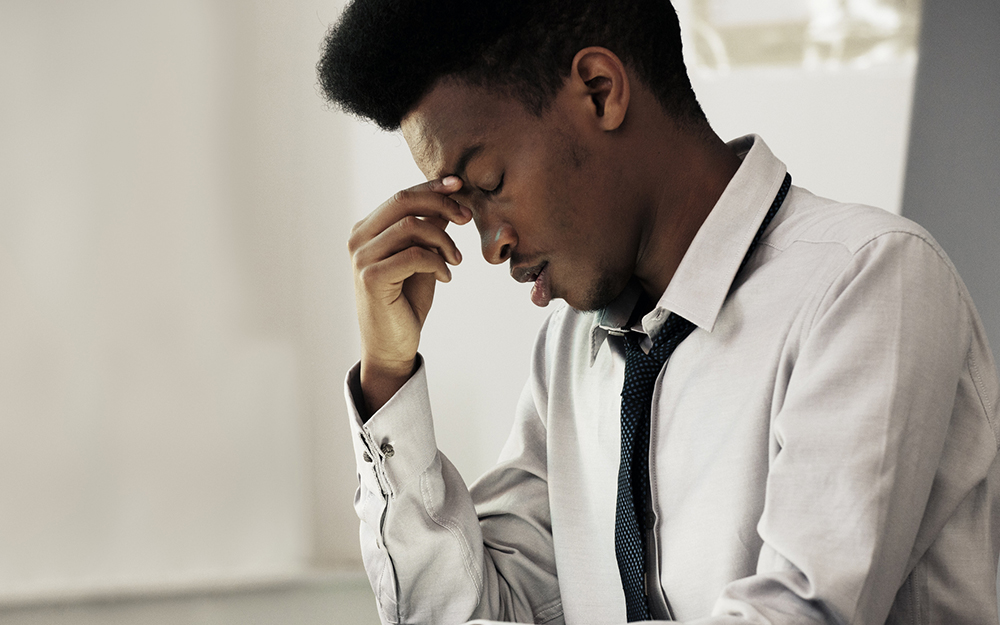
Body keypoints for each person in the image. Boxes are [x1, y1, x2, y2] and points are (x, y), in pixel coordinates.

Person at [317, 0, 1000, 623]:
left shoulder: (868, 281)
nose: (491, 245)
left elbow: (797, 614)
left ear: (600, 90)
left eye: (491, 184)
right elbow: (480, 610)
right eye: (464, 208)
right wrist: (387, 375)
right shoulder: (574, 351)